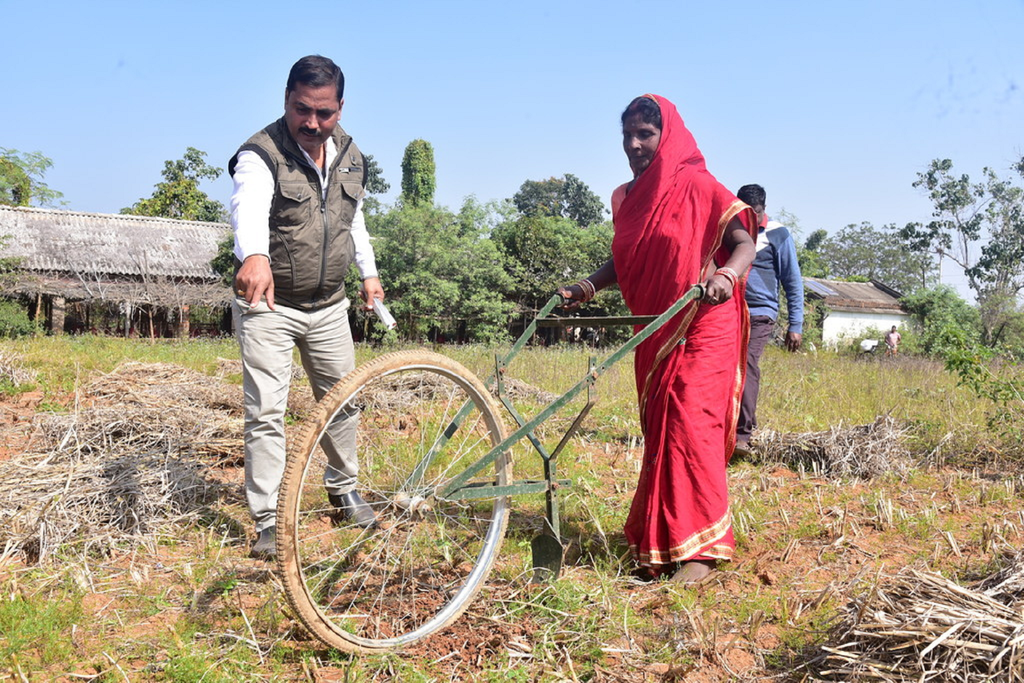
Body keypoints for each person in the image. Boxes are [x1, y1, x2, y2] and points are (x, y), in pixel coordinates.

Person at [559, 95, 756, 583]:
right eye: (627, 135)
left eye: (645, 134)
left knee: (691, 423)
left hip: (705, 321)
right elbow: (624, 259)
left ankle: (701, 551)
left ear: (667, 136)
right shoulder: (625, 199)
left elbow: (743, 244)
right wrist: (585, 287)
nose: (633, 144)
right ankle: (662, 542)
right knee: (662, 429)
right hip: (655, 325)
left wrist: (726, 277)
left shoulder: (701, 187)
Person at [229, 55, 385, 559]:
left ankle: (343, 489)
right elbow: (248, 208)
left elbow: (353, 221)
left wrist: (368, 273)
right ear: (286, 99)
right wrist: (254, 256)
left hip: (330, 305)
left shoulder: (351, 156)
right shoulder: (261, 153)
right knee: (266, 412)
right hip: (269, 303)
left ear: (341, 107)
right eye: (302, 109)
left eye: (324, 112)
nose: (312, 122)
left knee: (343, 402)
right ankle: (269, 520)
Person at [733, 184, 804, 458]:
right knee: (723, 366)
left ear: (764, 208)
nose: (752, 218)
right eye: (746, 212)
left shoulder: (778, 233)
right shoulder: (731, 230)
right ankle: (729, 426)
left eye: (757, 212)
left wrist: (795, 325)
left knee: (746, 364)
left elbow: (792, 281)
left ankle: (743, 435)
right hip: (730, 310)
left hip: (761, 312)